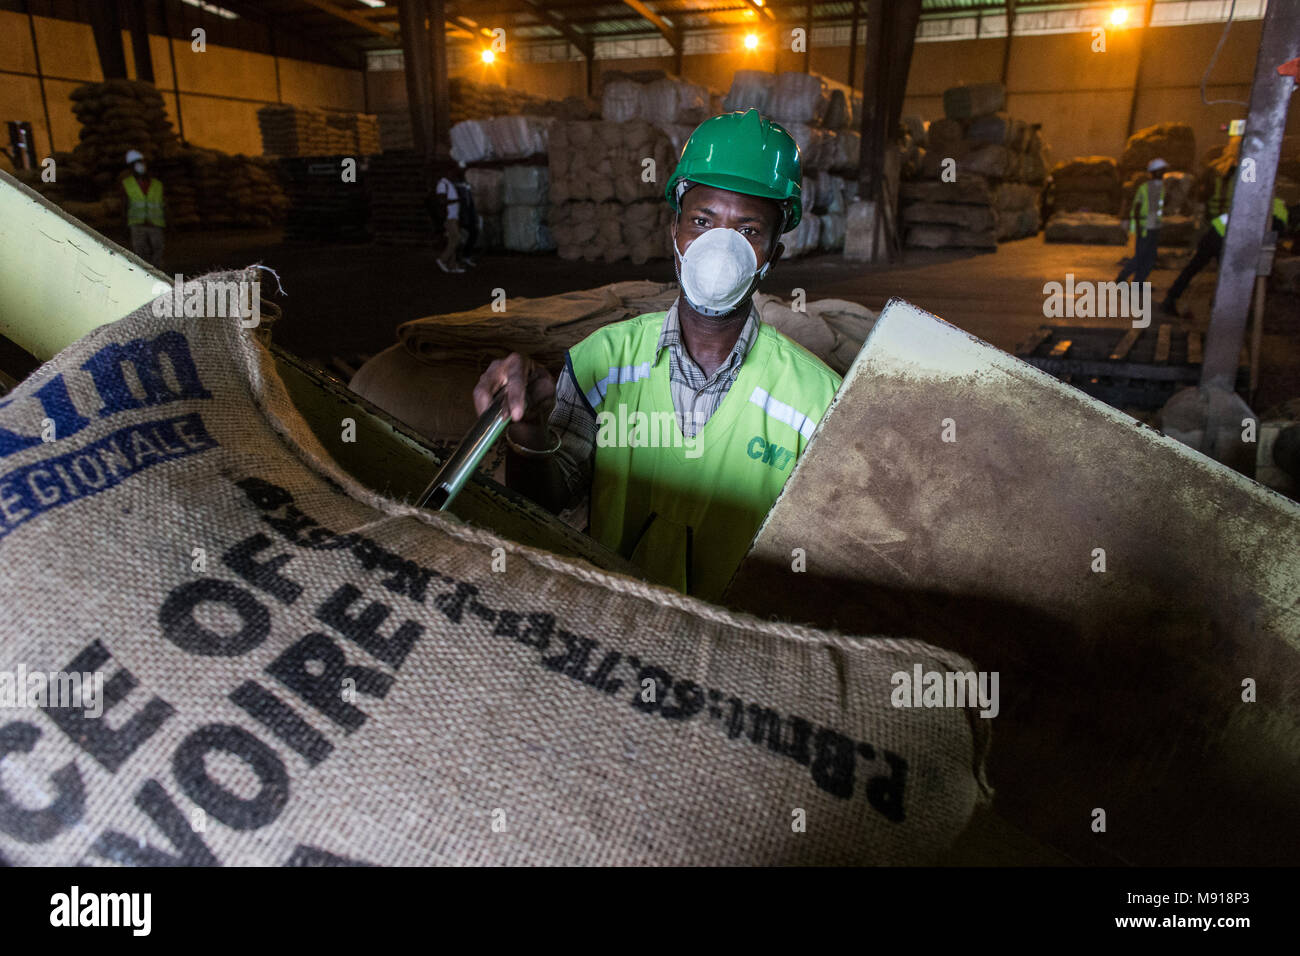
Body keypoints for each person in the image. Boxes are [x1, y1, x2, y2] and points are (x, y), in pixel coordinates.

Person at [471, 109, 842, 603]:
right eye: (703, 221)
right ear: (675, 232)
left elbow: (818, 562)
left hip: (738, 641)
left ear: (774, 253)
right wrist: (527, 429)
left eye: (748, 231)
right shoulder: (602, 360)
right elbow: (546, 502)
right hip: (615, 620)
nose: (720, 249)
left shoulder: (817, 399)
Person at [1161, 187, 1290, 315]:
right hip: (1226, 238)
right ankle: (1224, 309)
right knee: (1231, 276)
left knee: (1194, 268)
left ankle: (1171, 299)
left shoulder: (1265, 201)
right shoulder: (1279, 214)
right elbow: (1267, 238)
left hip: (1215, 231)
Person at [1117, 158, 1167, 284]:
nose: (1164, 173)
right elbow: (1138, 208)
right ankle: (1121, 278)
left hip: (1154, 226)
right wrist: (1139, 228)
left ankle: (1138, 282)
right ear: (1154, 172)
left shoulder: (1161, 187)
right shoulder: (1146, 188)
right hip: (1145, 226)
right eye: (1162, 171)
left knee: (1150, 258)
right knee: (1141, 256)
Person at [121, 149, 165, 267]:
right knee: (140, 255)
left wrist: (170, 223)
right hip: (137, 224)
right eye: (137, 163)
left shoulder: (157, 184)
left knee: (158, 253)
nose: (140, 166)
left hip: (155, 224)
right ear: (131, 167)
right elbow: (124, 205)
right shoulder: (127, 184)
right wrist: (124, 224)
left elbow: (164, 204)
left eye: (142, 162)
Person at [429, 162, 466, 273]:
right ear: (447, 172)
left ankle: (452, 266)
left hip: (453, 216)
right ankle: (443, 259)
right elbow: (442, 201)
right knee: (456, 239)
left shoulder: (449, 184)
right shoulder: (442, 184)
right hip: (449, 217)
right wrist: (457, 201)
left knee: (452, 239)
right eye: (453, 172)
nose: (454, 174)